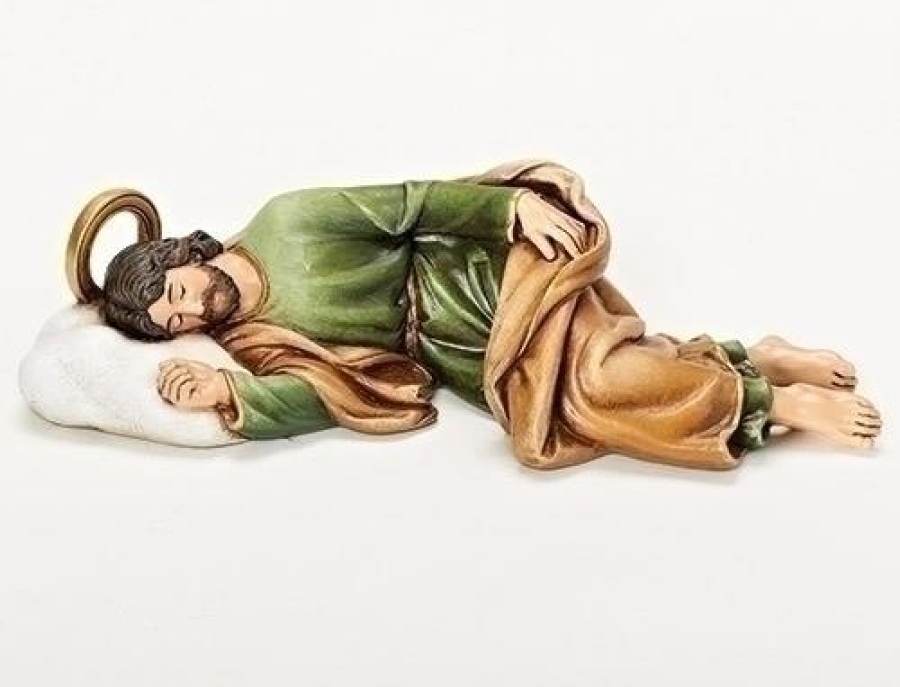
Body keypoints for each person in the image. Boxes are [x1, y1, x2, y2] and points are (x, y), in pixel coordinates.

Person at [100, 161, 882, 470]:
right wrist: (234, 394)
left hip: (478, 276)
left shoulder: (288, 221)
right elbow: (324, 391)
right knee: (570, 406)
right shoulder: (250, 339)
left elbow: (411, 204)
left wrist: (509, 212)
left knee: (598, 387)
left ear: (184, 255)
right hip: (457, 351)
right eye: (174, 324)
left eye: (178, 291)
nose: (191, 311)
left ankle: (774, 400)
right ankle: (751, 355)